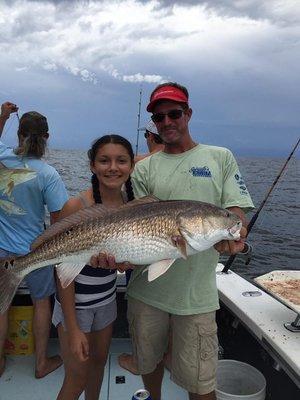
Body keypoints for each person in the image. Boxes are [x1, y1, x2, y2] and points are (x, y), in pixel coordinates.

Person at [124, 82, 255, 400]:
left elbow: (236, 213)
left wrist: (233, 231)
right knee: (148, 364)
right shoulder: (143, 169)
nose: (167, 122)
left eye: (175, 113)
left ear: (189, 113)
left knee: (201, 383)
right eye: (159, 117)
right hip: (147, 292)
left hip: (196, 298)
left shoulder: (220, 157)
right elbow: (135, 223)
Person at [53, 134, 135, 400]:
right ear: (92, 165)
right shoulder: (77, 206)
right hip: (75, 307)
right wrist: (73, 327)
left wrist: (124, 263)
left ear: (131, 166)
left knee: (98, 365)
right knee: (76, 377)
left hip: (107, 301)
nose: (113, 167)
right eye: (104, 160)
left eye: (121, 160)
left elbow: (124, 259)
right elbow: (62, 270)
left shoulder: (131, 207)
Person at [0, 102, 68, 378]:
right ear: (47, 138)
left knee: (1, 306)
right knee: (42, 303)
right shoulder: (48, 174)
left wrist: (3, 115)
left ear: (18, 135)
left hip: (2, 249)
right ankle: (41, 363)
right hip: (35, 251)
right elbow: (58, 221)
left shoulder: (3, 159)